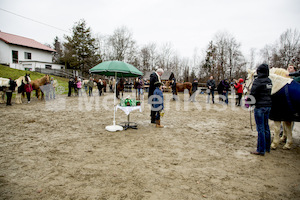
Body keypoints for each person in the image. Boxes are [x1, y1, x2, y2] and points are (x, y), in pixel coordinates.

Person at [249, 64, 273, 156]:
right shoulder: (269, 81)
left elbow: (253, 93)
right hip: (268, 106)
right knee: (266, 127)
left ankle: (260, 149)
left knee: (260, 129)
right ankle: (267, 147)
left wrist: (249, 103)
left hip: (260, 106)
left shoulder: (257, 81)